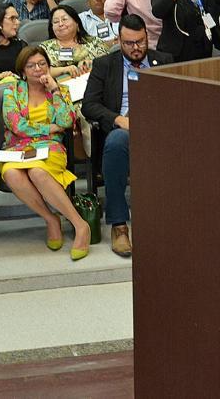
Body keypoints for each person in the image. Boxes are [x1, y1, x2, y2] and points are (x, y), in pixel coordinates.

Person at [81, 15, 172, 258]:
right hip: (125, 128)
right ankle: (120, 226)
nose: (136, 48)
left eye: (141, 42)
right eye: (129, 43)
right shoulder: (104, 64)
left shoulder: (163, 60)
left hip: (159, 128)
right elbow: (88, 105)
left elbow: (177, 99)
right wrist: (118, 119)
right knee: (116, 141)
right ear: (119, 40)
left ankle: (176, 221)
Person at [0, 46, 90, 260]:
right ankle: (50, 219)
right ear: (23, 70)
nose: (38, 69)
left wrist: (55, 91)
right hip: (18, 147)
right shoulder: (12, 90)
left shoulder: (60, 89)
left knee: (38, 172)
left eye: (42, 64)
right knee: (12, 173)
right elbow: (16, 125)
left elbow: (66, 122)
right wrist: (47, 128)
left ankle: (80, 225)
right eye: (31, 66)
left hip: (51, 147)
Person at [42, 5, 112, 80]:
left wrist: (92, 63)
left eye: (64, 19)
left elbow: (109, 63)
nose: (60, 24)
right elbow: (41, 71)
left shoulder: (94, 42)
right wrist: (64, 70)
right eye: (56, 22)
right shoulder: (45, 47)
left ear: (77, 23)